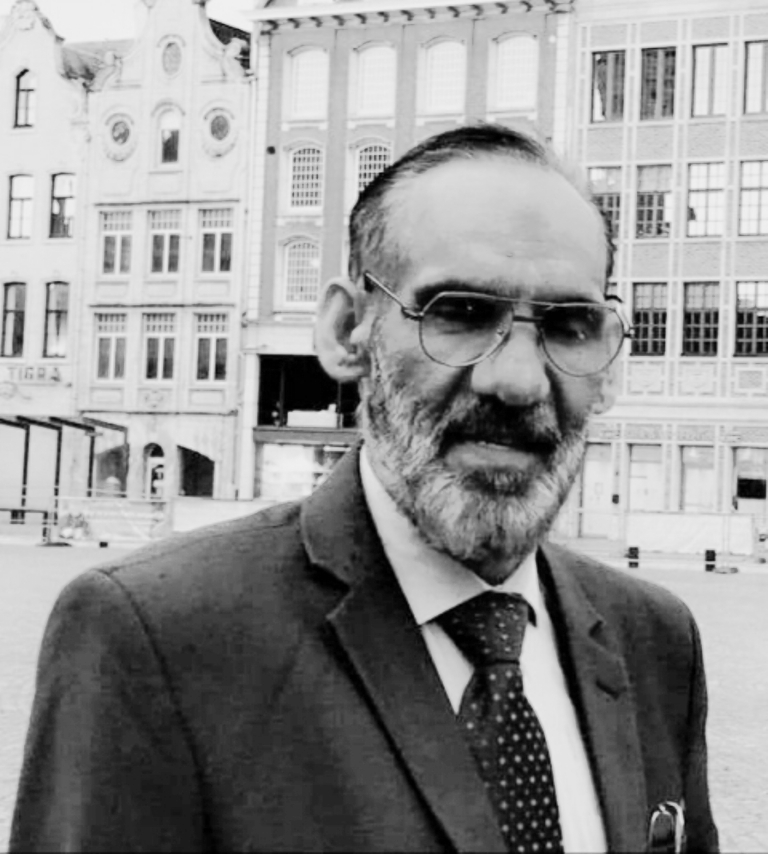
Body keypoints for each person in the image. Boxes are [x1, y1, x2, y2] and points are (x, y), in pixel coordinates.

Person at [11, 124, 718, 853]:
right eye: (461, 313)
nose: (517, 380)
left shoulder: (656, 641)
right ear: (348, 331)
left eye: (569, 326)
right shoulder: (156, 637)